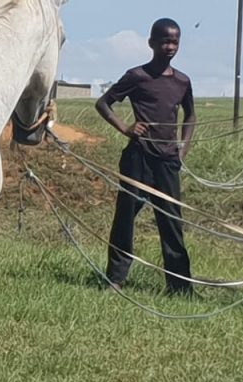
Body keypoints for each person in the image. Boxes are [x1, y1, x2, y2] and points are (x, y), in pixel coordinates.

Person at [95, 17, 196, 296]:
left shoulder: (182, 82)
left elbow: (191, 117)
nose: (170, 46)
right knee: (125, 218)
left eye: (175, 41)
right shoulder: (137, 76)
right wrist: (126, 127)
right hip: (138, 159)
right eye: (164, 41)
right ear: (151, 43)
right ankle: (115, 279)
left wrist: (182, 149)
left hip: (167, 162)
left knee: (172, 222)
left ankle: (180, 288)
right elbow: (103, 103)